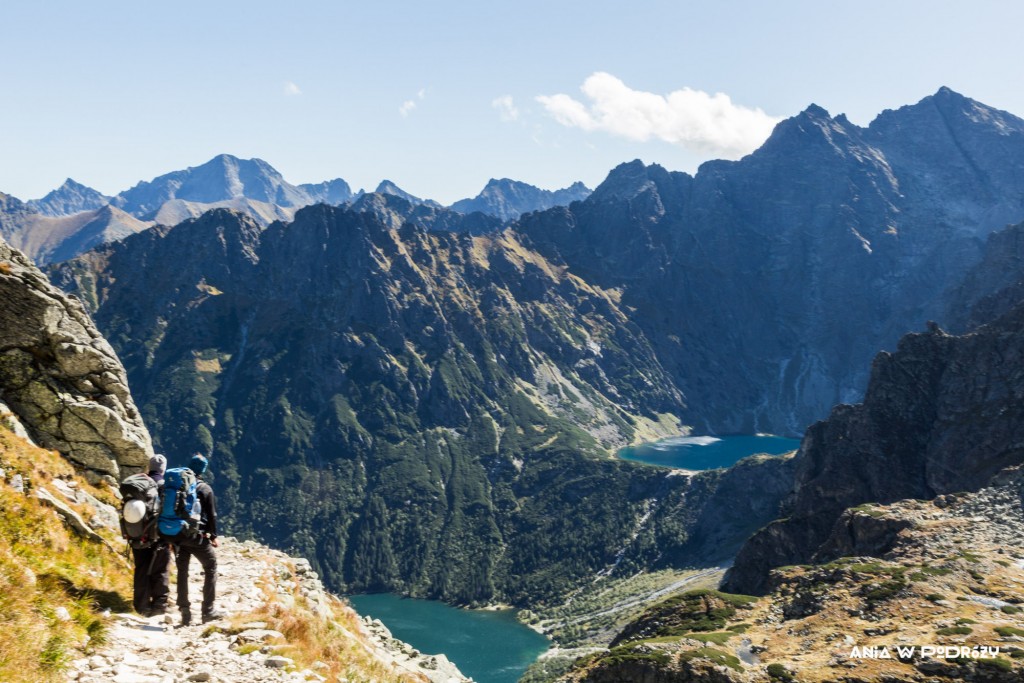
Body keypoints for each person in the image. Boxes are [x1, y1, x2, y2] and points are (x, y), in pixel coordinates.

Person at [174, 453, 223, 625]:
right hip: (196, 537)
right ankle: (207, 611)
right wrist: (213, 536)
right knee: (211, 566)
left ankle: (184, 611)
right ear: (202, 470)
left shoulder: (177, 485)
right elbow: (212, 516)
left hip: (178, 535)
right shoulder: (205, 489)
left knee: (182, 571)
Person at [131, 454, 171, 616]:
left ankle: (141, 606)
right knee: (160, 569)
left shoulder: (138, 484)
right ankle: (159, 605)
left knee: (141, 568)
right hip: (158, 536)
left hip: (137, 534)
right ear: (163, 469)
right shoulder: (164, 485)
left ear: (149, 467)